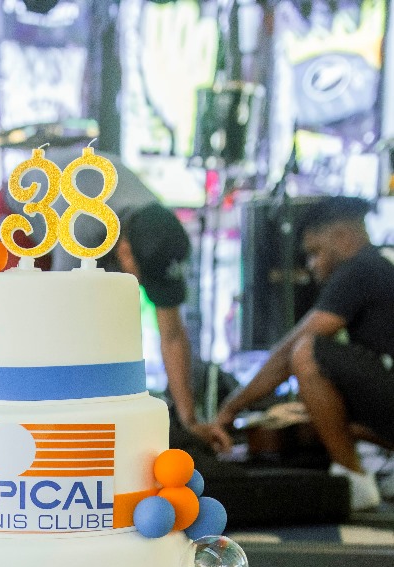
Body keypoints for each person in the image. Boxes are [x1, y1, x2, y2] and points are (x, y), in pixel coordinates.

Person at [209, 196, 394, 512]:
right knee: (318, 407)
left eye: (314, 252)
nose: (311, 265)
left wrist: (231, 407)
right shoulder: (379, 264)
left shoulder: (359, 269)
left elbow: (289, 354)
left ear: (342, 237)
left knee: (306, 353)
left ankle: (354, 481)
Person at [51, 152, 230, 454]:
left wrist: (189, 420)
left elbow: (172, 334)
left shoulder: (159, 230)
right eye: (144, 278)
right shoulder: (79, 230)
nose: (144, 286)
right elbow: (60, 323)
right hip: (21, 215)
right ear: (124, 252)